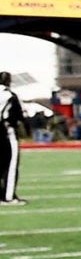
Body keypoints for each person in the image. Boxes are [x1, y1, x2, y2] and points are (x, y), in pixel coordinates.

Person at [0, 71, 26, 205]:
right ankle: (8, 196)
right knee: (10, 165)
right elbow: (18, 116)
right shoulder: (10, 95)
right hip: (6, 132)